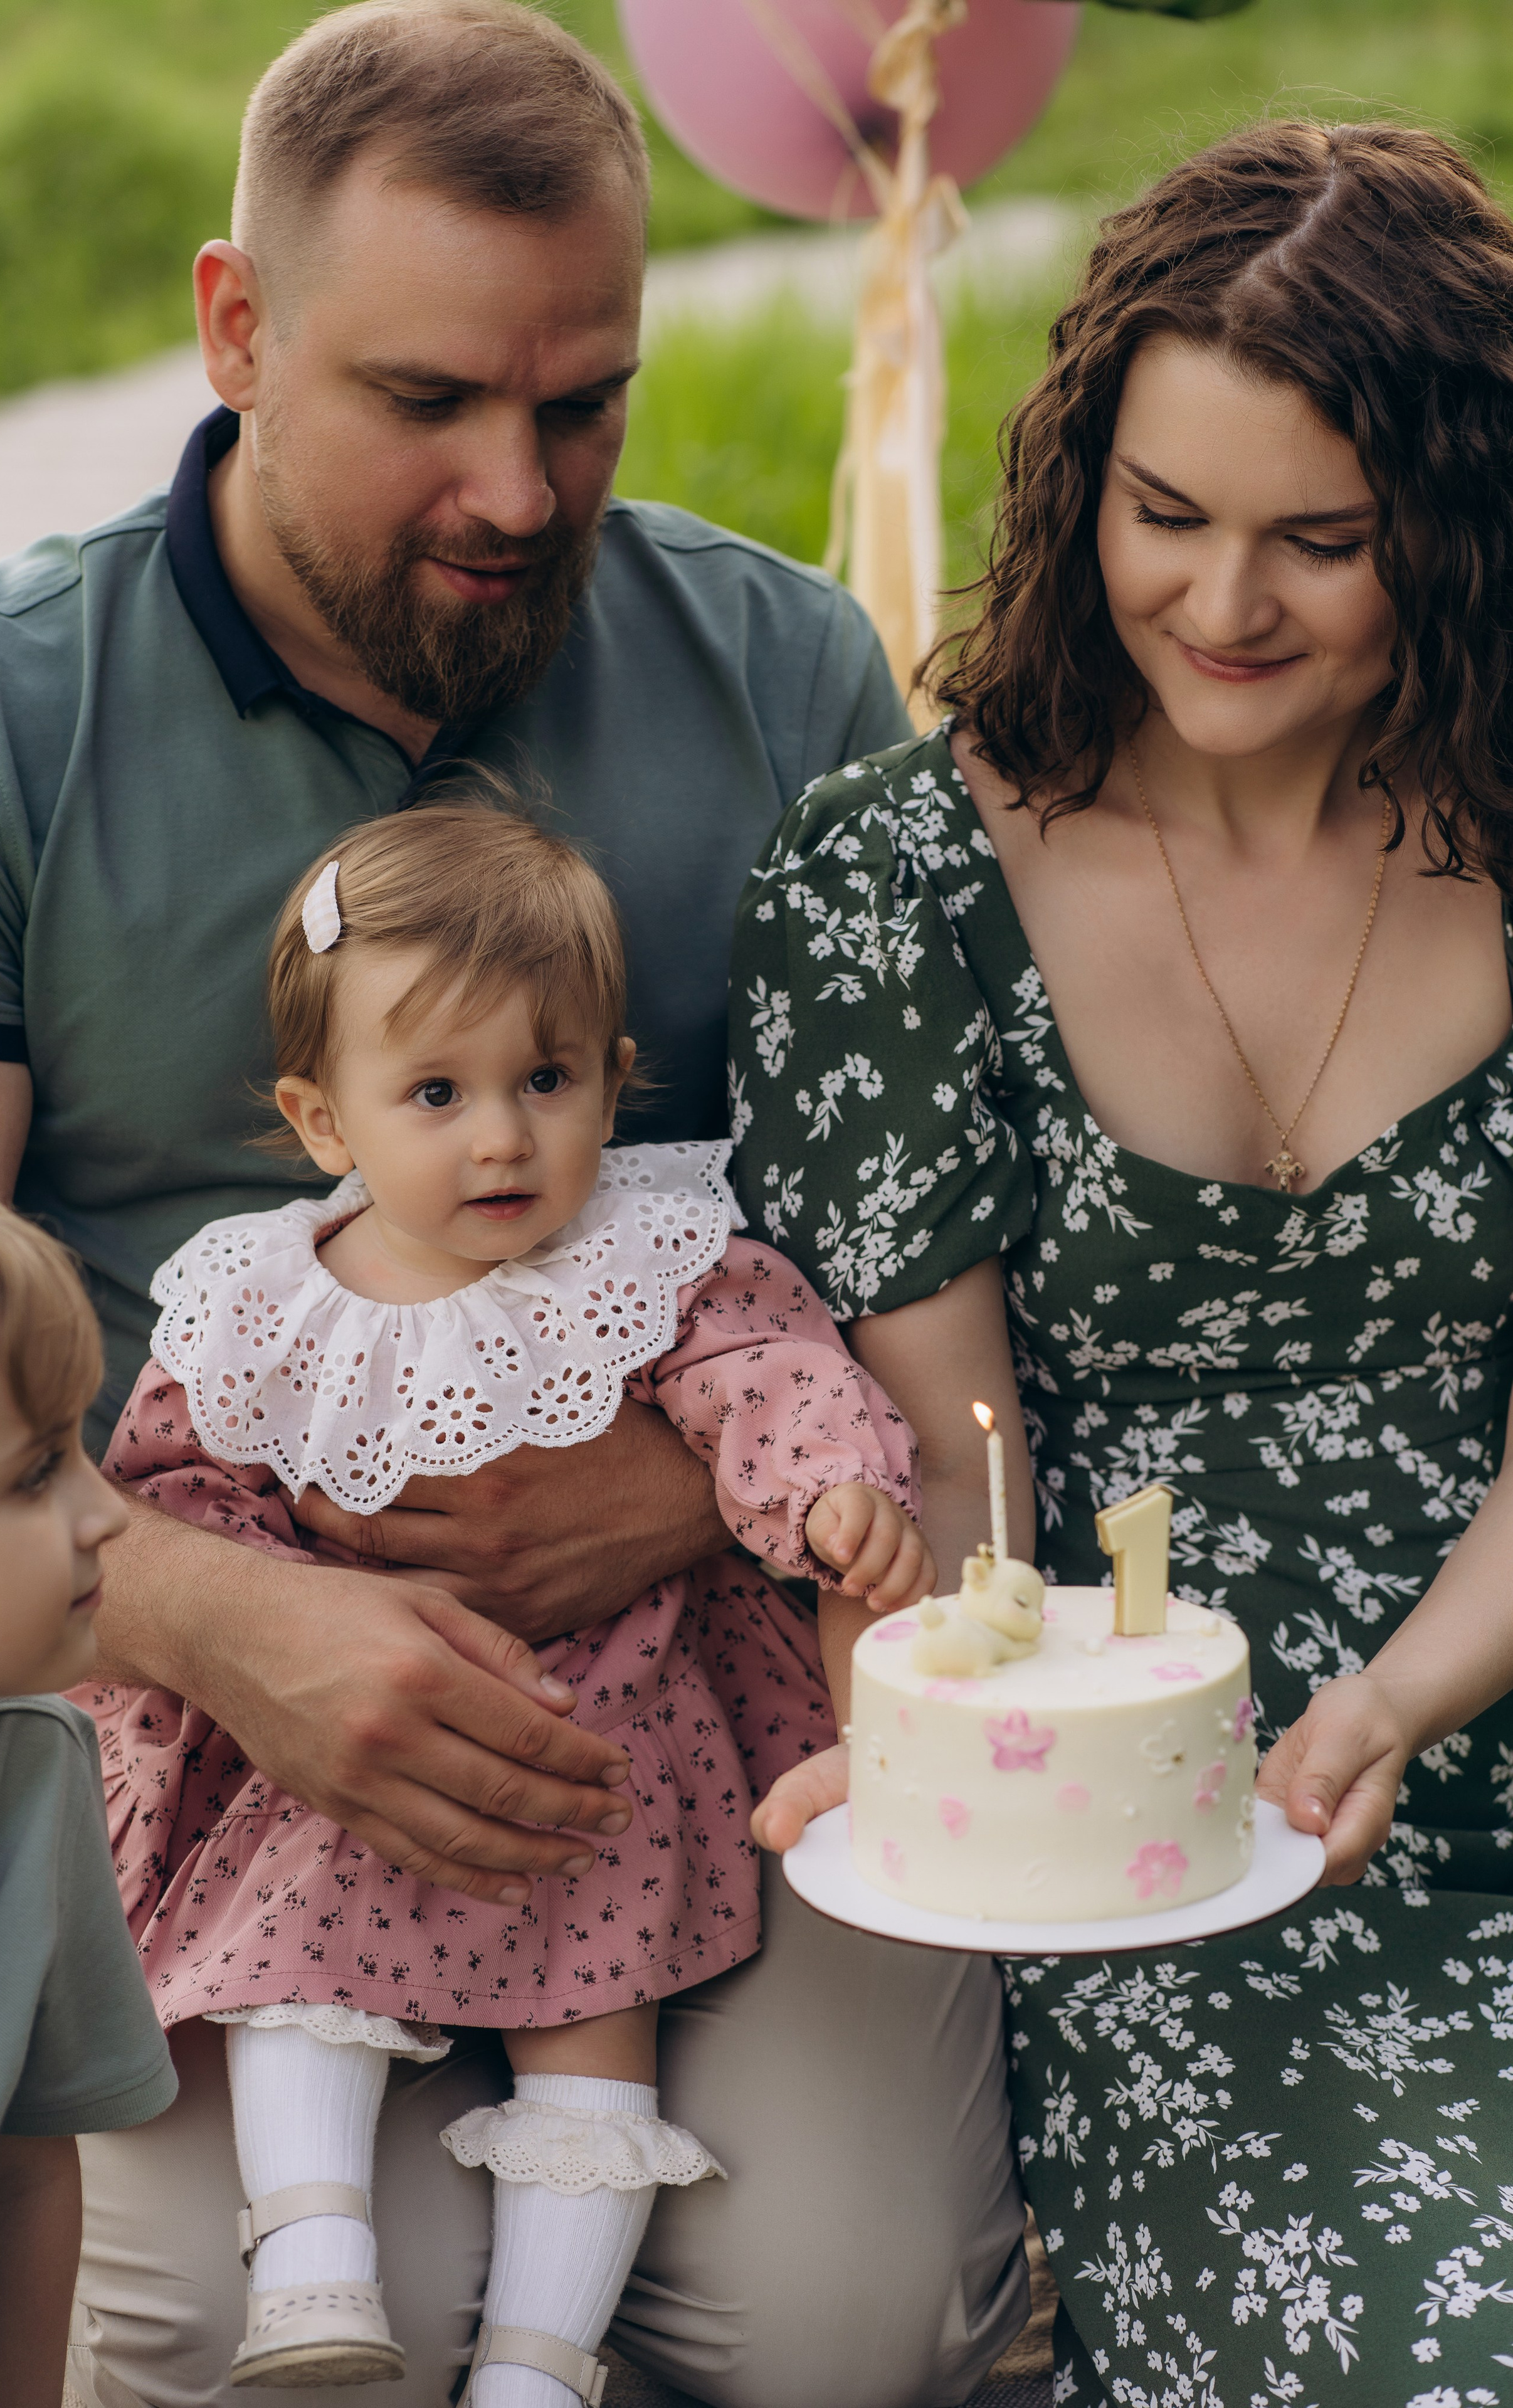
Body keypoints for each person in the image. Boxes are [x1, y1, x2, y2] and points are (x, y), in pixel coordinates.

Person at [0, 6, 1031, 2400]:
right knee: (255, 2332)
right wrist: (219, 1617)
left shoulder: (779, 673)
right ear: (237, 328)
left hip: (698, 1682)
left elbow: (898, 1237)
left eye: (585, 399)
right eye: (428, 402)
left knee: (845, 2322)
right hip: (198, 1695)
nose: (523, 491)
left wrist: (694, 1494)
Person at [732, 119, 1513, 2405]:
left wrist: (1409, 1692)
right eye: (1165, 515)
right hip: (1167, 1836)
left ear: (1458, 533)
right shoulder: (895, 883)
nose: (1222, 602)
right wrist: (924, 1713)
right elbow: (957, 1480)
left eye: (1324, 543)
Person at [93, 796, 932, 2392]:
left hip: (612, 1758)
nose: (500, 1136)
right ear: (321, 1116)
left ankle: (537, 2370)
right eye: (435, 1091)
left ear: (615, 1083)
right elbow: (179, 1488)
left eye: (546, 1080)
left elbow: (769, 1375)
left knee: (595, 2050)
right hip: (351, 1754)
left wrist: (825, 1488)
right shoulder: (263, 1298)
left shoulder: (650, 1263)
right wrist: (277, 1610)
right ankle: (315, 2257)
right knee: (291, 1968)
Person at [0, 1168, 176, 2408]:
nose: (102, 1511)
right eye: (31, 1476)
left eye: (79, 1445)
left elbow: (22, 2170)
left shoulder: (26, 1764)